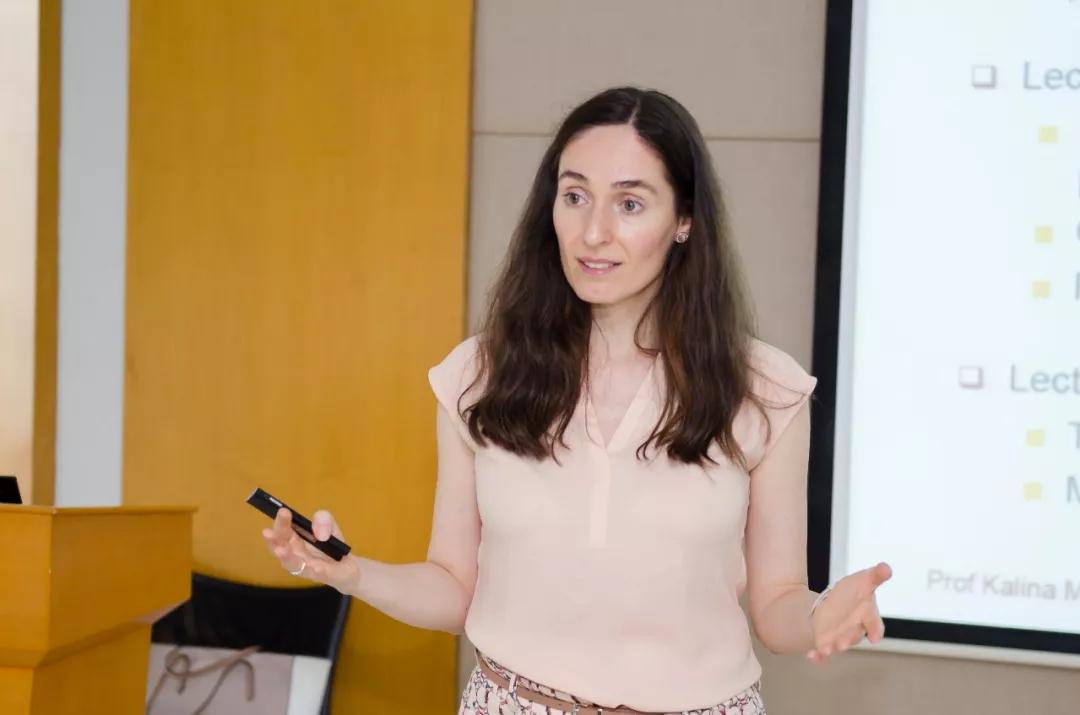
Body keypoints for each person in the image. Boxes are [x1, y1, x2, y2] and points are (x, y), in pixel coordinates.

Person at [263, 86, 892, 715]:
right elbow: (455, 589)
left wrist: (819, 615)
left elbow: (777, 608)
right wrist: (352, 573)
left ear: (684, 220)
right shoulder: (480, 375)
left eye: (630, 203)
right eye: (575, 196)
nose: (594, 232)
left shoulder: (764, 390)